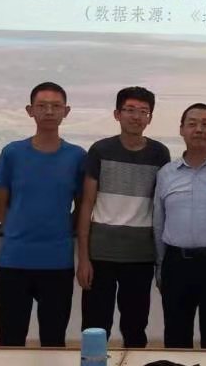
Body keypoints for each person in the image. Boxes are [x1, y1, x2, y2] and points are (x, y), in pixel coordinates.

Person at [0, 81, 86, 347]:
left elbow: (82, 207)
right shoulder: (12, 153)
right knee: (10, 340)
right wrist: (18, 232)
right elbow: (2, 206)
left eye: (56, 106)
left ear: (66, 111)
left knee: (53, 341)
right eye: (42, 105)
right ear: (29, 110)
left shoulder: (77, 156)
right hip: (14, 262)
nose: (49, 111)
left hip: (57, 262)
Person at [77, 86, 170, 348]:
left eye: (143, 111)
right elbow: (86, 204)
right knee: (95, 327)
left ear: (150, 118)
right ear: (117, 114)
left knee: (135, 327)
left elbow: (162, 207)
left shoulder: (159, 154)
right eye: (130, 110)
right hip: (101, 254)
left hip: (140, 255)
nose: (136, 116)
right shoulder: (100, 150)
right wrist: (83, 258)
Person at [152, 103, 206, 348]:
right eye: (192, 124)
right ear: (181, 130)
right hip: (176, 264)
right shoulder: (166, 173)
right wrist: (160, 265)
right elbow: (159, 222)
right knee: (176, 338)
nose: (199, 129)